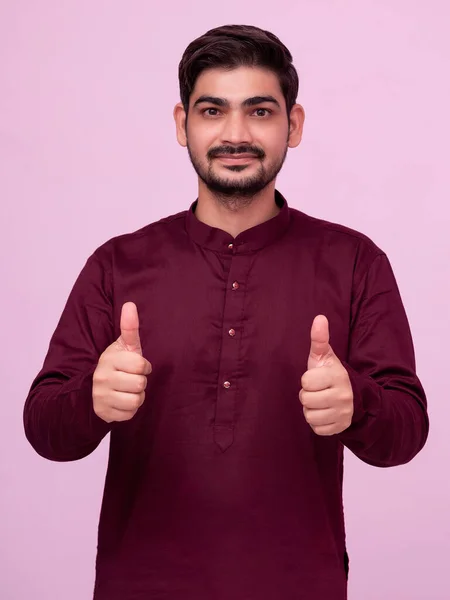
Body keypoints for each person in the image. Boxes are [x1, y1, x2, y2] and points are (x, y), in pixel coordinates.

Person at [23, 24, 429, 600]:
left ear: (294, 126)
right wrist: (90, 398)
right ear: (181, 124)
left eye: (260, 112)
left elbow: (408, 432)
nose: (235, 134)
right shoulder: (118, 264)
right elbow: (43, 427)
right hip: (140, 586)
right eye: (212, 110)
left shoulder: (355, 261)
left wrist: (357, 403)